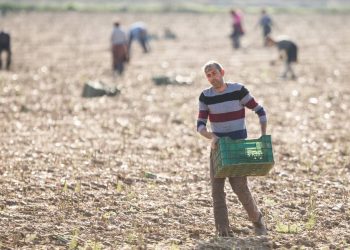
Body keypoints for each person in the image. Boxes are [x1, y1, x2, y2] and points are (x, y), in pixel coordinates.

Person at [197, 61, 268, 237]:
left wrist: (263, 135)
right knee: (217, 189)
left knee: (240, 187)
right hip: (219, 148)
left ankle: (257, 220)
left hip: (237, 148)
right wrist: (212, 137)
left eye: (214, 73)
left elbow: (260, 111)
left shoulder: (238, 90)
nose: (212, 77)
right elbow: (200, 126)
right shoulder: (205, 96)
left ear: (222, 72)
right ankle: (222, 229)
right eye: (208, 75)